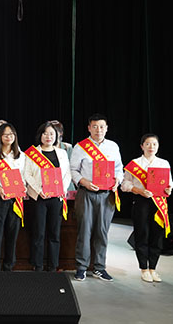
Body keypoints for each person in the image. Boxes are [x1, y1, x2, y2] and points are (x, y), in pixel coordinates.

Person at [70, 113, 123, 282]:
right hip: (86, 193)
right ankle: (81, 267)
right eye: (94, 126)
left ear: (106, 128)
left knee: (102, 232)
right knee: (84, 231)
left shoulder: (113, 146)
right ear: (89, 128)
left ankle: (100, 268)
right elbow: (73, 170)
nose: (98, 130)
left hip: (107, 195)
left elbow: (119, 169)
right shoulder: (80, 147)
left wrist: (117, 181)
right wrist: (84, 182)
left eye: (101, 127)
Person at [122, 134, 173, 283]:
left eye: (154, 144)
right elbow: (125, 184)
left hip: (159, 203)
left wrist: (169, 189)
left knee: (157, 235)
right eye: (148, 144)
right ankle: (144, 268)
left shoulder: (163, 163)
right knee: (142, 234)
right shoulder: (134, 164)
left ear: (158, 147)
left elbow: (169, 183)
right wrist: (139, 190)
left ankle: (153, 269)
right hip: (141, 201)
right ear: (142, 146)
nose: (151, 147)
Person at [24, 121, 72, 272]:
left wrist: (62, 189)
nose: (48, 136)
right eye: (45, 133)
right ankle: (37, 265)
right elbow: (27, 174)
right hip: (39, 198)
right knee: (38, 232)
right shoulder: (32, 154)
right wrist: (39, 190)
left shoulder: (62, 153)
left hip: (56, 198)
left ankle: (53, 265)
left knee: (54, 233)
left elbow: (67, 174)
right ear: (40, 135)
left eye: (51, 134)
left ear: (56, 136)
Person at [0, 122, 26, 272]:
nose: (9, 137)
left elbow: (24, 176)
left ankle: (9, 267)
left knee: (12, 234)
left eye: (11, 134)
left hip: (15, 199)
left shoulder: (21, 156)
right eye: (5, 134)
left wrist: (23, 187)